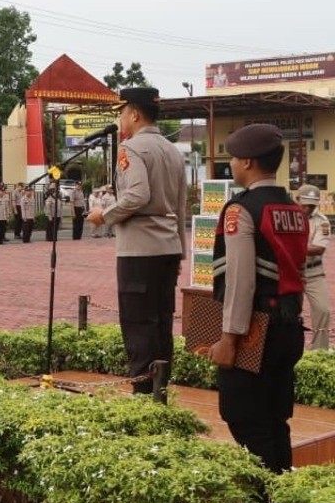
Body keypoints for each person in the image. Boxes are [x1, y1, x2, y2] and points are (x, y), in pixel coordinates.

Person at [205, 124, 306, 474]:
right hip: (290, 325)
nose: (230, 163)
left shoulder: (241, 210)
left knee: (246, 421)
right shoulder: (292, 208)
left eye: (232, 158)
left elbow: (240, 281)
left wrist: (229, 338)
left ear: (247, 162)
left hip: (256, 331)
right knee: (276, 422)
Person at [88, 87, 187, 395]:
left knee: (138, 324)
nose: (120, 118)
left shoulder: (131, 149)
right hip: (168, 247)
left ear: (133, 113)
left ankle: (144, 398)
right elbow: (182, 205)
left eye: (121, 112)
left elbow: (137, 195)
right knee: (161, 324)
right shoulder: (172, 150)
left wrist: (104, 215)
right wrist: (180, 248)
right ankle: (160, 392)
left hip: (139, 250)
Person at [297, 184, 330, 350]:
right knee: (287, 311)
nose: (308, 208)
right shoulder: (287, 217)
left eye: (312, 205)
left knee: (323, 310)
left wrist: (289, 245)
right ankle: (289, 349)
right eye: (305, 204)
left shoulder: (322, 221)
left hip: (314, 272)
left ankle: (319, 350)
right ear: (297, 200)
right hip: (292, 271)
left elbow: (319, 248)